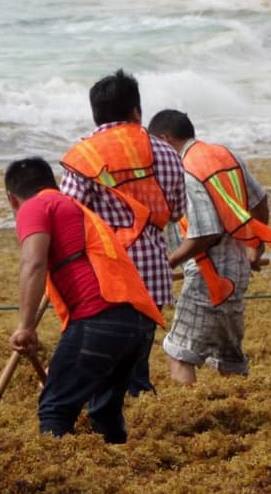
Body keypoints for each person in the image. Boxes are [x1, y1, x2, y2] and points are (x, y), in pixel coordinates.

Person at [4, 157, 164, 442]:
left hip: (99, 316)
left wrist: (25, 326)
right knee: (104, 412)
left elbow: (33, 263)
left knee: (55, 408)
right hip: (137, 322)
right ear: (52, 182)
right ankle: (120, 473)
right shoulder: (75, 208)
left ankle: (58, 480)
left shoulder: (35, 206)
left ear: (12, 199)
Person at [59, 69, 185, 402]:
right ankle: (139, 418)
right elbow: (175, 212)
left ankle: (116, 431)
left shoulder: (84, 156)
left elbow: (67, 218)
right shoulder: (168, 154)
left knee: (103, 368)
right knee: (135, 363)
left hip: (103, 279)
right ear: (136, 111)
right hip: (152, 277)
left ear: (95, 113)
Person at [147, 109, 271, 384]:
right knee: (230, 359)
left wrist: (170, 262)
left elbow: (205, 234)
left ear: (164, 139)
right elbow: (260, 202)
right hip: (237, 271)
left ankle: (187, 416)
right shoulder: (226, 154)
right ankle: (243, 411)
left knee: (179, 352)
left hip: (209, 277)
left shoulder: (185, 169)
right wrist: (255, 248)